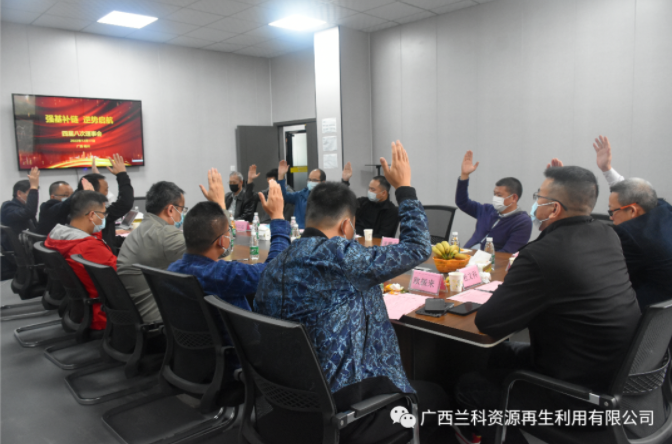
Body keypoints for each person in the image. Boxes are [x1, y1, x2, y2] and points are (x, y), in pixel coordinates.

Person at [256, 141, 447, 443]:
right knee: (438, 397)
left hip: (287, 401)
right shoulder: (343, 257)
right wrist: (405, 189)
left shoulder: (275, 264)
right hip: (345, 409)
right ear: (347, 226)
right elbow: (419, 247)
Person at [454, 165, 641, 443]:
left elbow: (488, 322)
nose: (535, 203)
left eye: (538, 197)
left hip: (576, 395)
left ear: (554, 209)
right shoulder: (607, 234)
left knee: (469, 386)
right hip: (617, 377)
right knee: (500, 353)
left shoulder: (541, 254)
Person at [168, 177, 290, 311]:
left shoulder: (173, 269)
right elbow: (274, 272)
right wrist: (278, 217)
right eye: (228, 232)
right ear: (222, 241)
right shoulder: (224, 274)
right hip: (237, 325)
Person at [592, 136, 672, 308]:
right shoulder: (663, 209)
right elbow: (640, 194)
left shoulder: (630, 236)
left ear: (633, 211)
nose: (611, 218)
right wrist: (607, 169)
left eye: (612, 211)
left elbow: (601, 274)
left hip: (643, 312)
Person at [116, 181, 187, 323]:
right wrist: (220, 206)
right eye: (182, 209)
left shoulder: (141, 230)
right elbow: (217, 249)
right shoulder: (164, 234)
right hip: (158, 319)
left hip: (137, 314)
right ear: (171, 210)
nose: (183, 214)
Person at [45, 191, 116, 331]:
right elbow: (121, 278)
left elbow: (89, 239)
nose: (104, 218)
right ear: (92, 215)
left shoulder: (58, 237)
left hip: (81, 308)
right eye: (103, 214)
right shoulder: (89, 247)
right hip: (103, 313)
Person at [455, 151, 532, 252]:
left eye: (499, 195)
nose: (495, 198)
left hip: (490, 260)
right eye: (494, 194)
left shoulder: (522, 222)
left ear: (514, 198)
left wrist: (481, 259)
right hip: (467, 255)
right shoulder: (487, 210)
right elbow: (462, 202)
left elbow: (507, 253)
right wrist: (464, 176)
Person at [77, 154, 134, 254]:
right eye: (106, 190)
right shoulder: (97, 216)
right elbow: (125, 202)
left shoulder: (79, 212)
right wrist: (122, 175)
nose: (107, 194)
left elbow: (109, 239)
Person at [1, 168, 40, 280]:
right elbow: (29, 212)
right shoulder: (8, 207)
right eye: (30, 193)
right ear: (19, 193)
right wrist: (34, 187)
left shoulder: (21, 207)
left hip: (29, 248)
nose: (32, 198)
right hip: (23, 253)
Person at [342, 163, 399, 238]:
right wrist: (345, 181)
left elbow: (383, 236)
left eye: (373, 189)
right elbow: (344, 202)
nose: (369, 191)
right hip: (352, 240)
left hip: (371, 243)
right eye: (369, 188)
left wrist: (361, 239)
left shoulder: (391, 211)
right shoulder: (363, 202)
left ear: (383, 193)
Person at [277, 160, 327, 229]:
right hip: (299, 231)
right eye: (309, 180)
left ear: (323, 182)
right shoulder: (301, 195)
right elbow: (283, 196)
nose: (311, 182)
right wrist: (281, 176)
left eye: (314, 180)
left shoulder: (328, 198)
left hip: (318, 232)